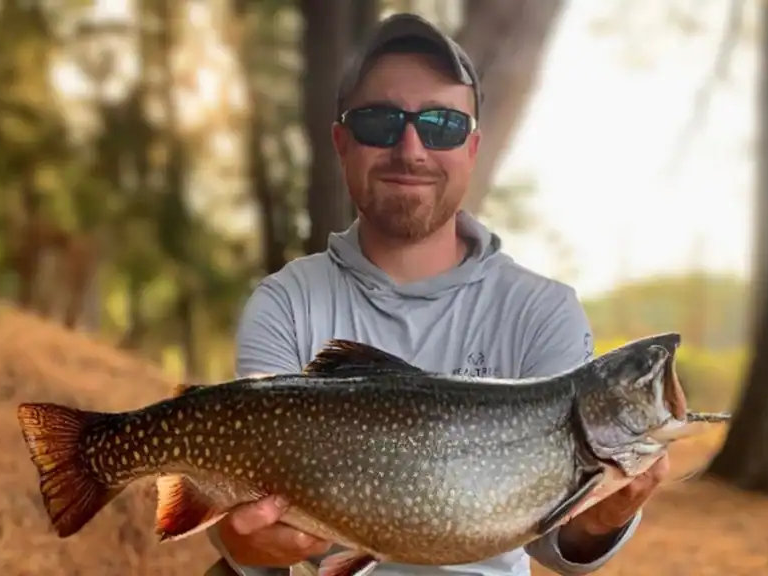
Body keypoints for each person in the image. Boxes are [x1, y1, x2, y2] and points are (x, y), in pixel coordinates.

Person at [207, 12, 669, 576]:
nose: (411, 149)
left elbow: (556, 544)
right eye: (380, 122)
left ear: (472, 148)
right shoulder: (285, 301)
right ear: (341, 143)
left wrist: (604, 518)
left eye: (442, 125)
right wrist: (243, 545)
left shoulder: (543, 312)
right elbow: (247, 512)